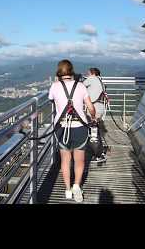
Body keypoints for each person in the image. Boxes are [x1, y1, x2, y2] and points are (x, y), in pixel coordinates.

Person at [48, 59, 96, 203]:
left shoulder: (55, 86)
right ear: (72, 71)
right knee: (79, 160)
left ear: (59, 72)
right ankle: (76, 186)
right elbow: (91, 108)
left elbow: (52, 100)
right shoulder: (80, 86)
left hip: (62, 128)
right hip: (80, 128)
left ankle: (68, 189)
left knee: (65, 160)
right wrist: (93, 116)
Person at [83, 68, 107, 163]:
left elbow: (81, 86)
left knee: (93, 131)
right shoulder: (99, 80)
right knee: (95, 129)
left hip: (94, 108)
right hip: (100, 107)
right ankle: (98, 152)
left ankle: (97, 154)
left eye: (88, 73)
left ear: (92, 73)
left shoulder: (92, 78)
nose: (87, 74)